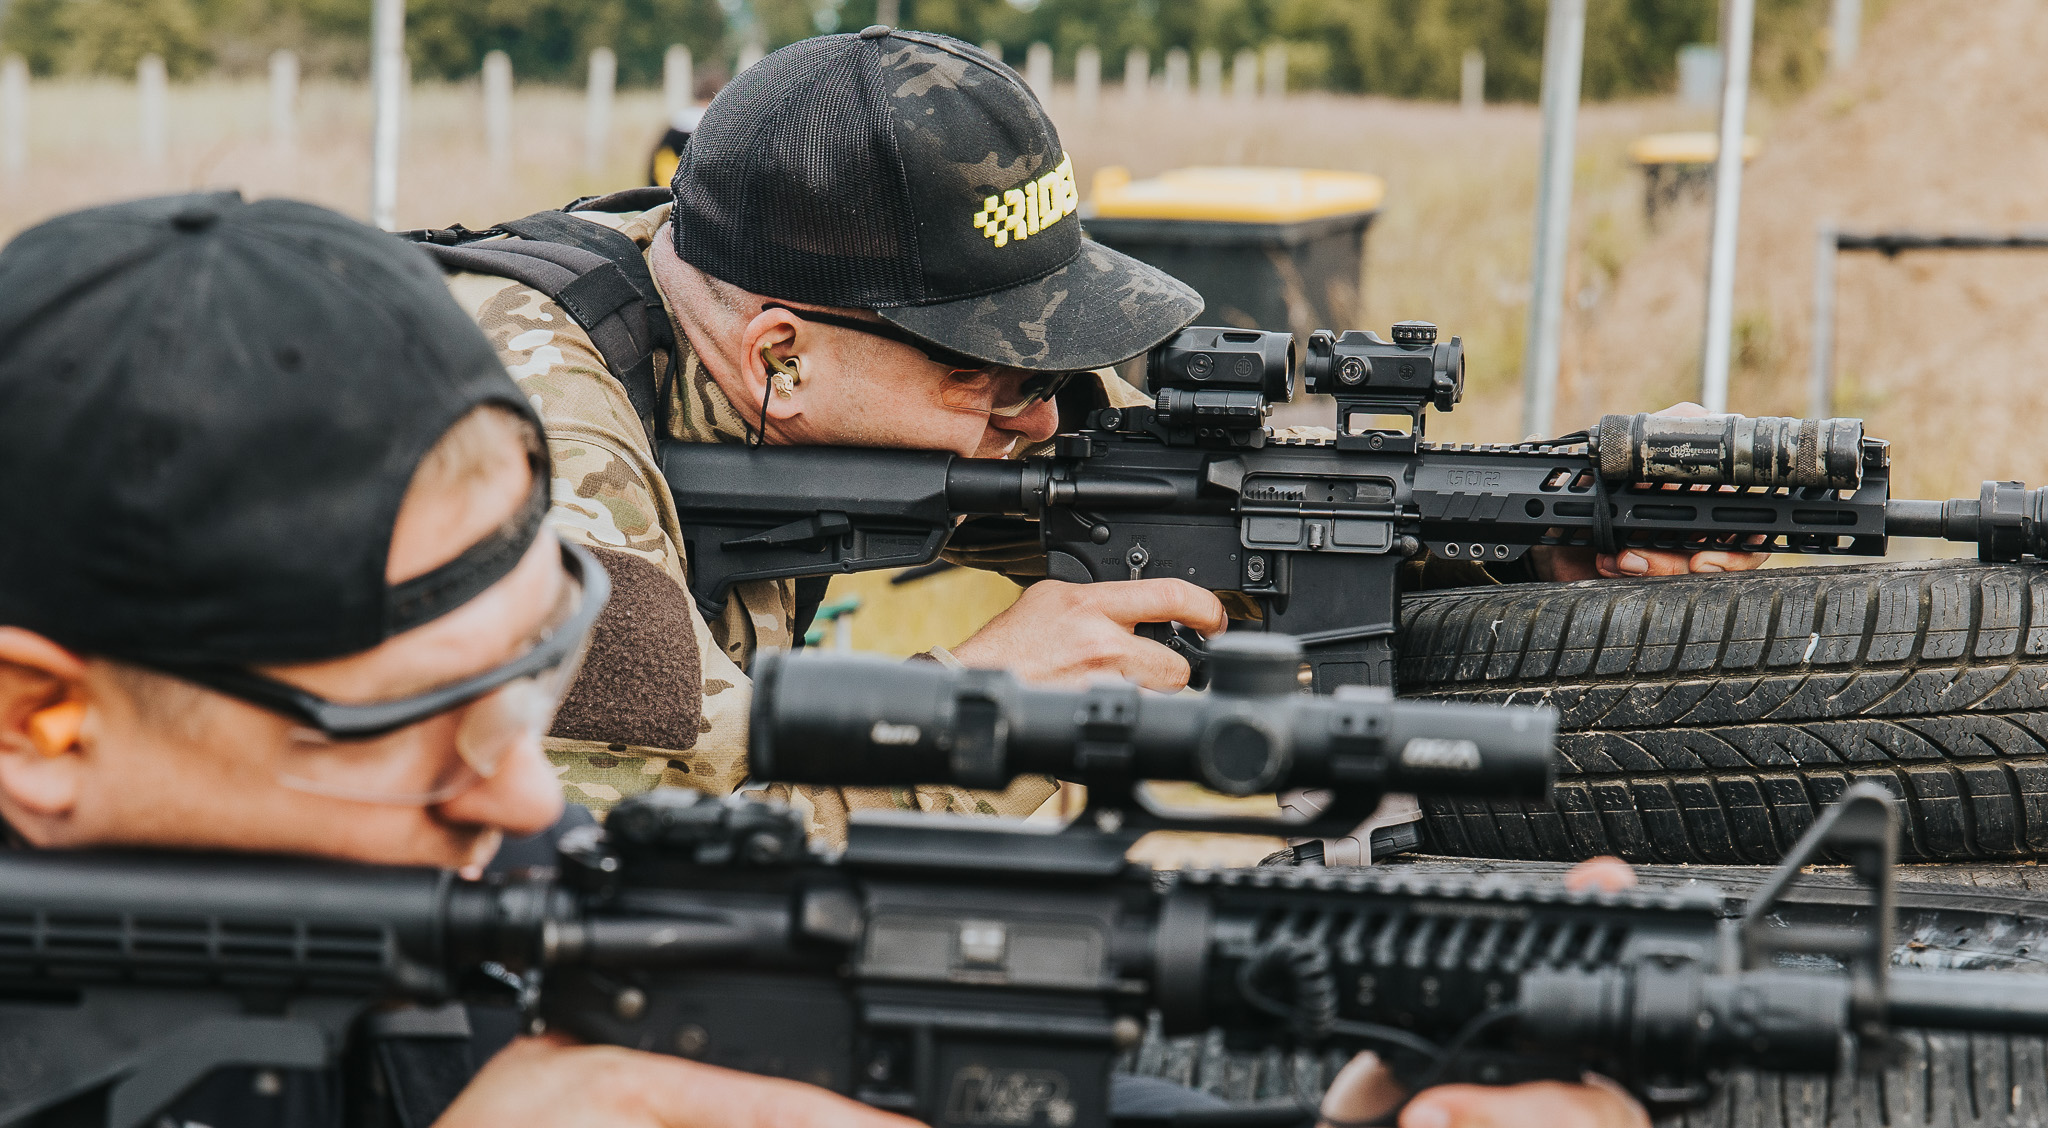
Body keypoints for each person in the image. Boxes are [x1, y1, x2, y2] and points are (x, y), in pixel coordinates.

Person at [0, 193, 1648, 1128]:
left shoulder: (422, 922)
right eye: (414, 717)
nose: (522, 799)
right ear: (37, 723)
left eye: (533, 670)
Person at [434, 27, 1764, 835]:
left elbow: (1215, 511)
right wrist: (981, 715)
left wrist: (1544, 532)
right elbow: (641, 820)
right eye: (993, 365)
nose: (1040, 402)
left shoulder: (807, 346)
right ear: (781, 356)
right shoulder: (523, 437)